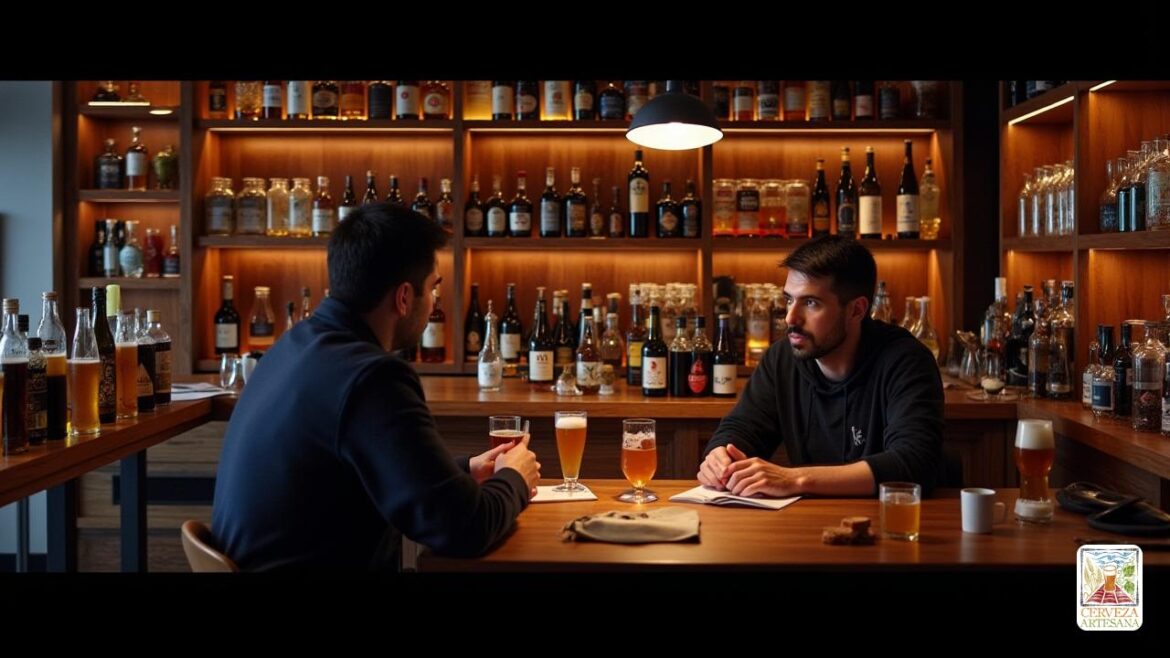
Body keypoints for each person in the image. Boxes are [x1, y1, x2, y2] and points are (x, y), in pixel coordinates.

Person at [212, 203, 540, 571]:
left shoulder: (292, 346)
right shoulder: (373, 378)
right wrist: (515, 478)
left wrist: (462, 471)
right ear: (403, 298)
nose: (434, 304)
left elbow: (360, 477)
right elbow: (463, 529)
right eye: (433, 288)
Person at [697, 235, 943, 498]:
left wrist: (796, 479)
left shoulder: (906, 361)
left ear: (857, 311)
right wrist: (719, 457)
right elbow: (742, 429)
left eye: (810, 303)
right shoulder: (782, 358)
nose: (791, 318)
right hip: (807, 523)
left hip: (888, 524)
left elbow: (914, 463)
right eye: (789, 300)